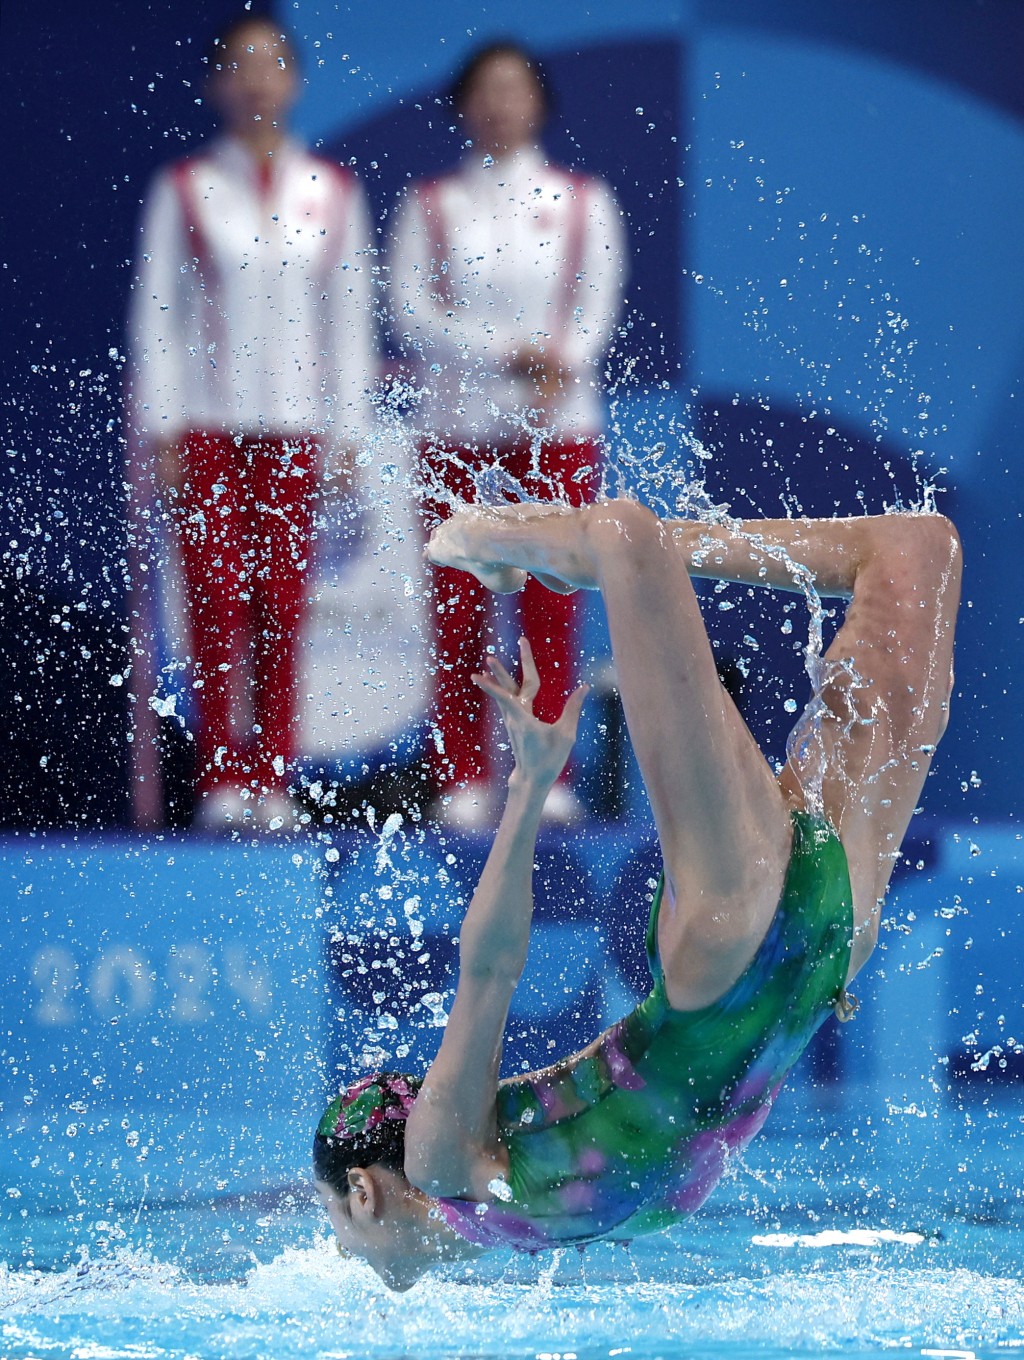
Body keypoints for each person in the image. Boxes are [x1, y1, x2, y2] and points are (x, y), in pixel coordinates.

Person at [312, 497, 962, 1290]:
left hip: (736, 946)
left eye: (336, 1227)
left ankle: (522, 544)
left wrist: (527, 794)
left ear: (363, 1193)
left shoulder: (441, 1162)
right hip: (823, 950)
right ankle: (635, 557)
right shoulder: (507, 1196)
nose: (344, 1250)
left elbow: (488, 971)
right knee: (919, 552)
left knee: (625, 538)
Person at [127, 14, 377, 830]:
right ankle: (221, 777)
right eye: (241, 66)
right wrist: (163, 428)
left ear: (297, 82)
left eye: (273, 65)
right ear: (216, 86)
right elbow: (158, 312)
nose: (258, 81)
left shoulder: (333, 193)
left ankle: (273, 774)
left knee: (282, 595)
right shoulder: (187, 188)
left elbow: (349, 320)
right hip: (206, 423)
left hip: (298, 427)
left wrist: (348, 431)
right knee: (213, 595)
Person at [389, 43, 627, 826]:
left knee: (552, 607)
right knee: (456, 605)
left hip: (556, 428)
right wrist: (504, 355)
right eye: (485, 91)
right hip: (455, 426)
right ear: (462, 105)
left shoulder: (584, 201)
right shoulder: (429, 204)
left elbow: (596, 308)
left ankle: (545, 776)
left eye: (514, 89)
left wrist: (562, 361)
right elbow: (411, 312)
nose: (499, 104)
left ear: (540, 104)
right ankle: (459, 772)